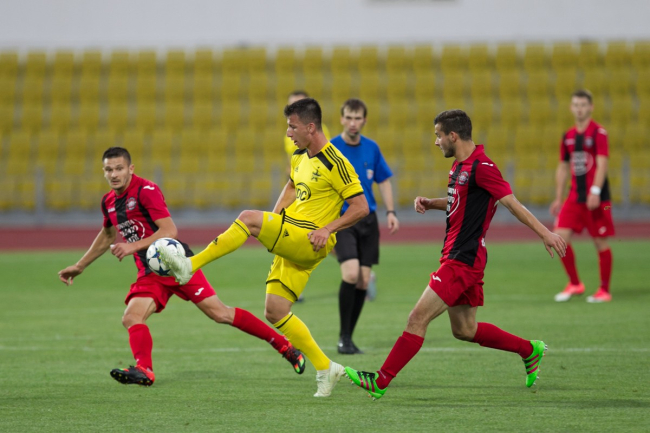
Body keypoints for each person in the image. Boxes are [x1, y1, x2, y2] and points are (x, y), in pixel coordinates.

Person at [344, 109, 567, 400]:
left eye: (438, 136)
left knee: (417, 318)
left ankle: (381, 380)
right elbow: (459, 201)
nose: (436, 141)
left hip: (463, 259)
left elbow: (512, 204)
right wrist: (432, 202)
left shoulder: (483, 167)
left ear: (453, 136)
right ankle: (529, 350)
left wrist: (545, 233)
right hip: (460, 256)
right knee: (464, 329)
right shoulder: (459, 166)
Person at [160, 98, 369, 397]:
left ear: (311, 127)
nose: (288, 133)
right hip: (294, 234)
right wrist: (274, 218)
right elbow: (291, 185)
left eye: (292, 127)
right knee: (275, 311)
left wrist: (327, 229)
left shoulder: (336, 162)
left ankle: (189, 265)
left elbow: (361, 207)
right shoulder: (299, 155)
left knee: (247, 218)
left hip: (310, 239)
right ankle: (326, 367)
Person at [57, 147, 305, 387]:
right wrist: (80, 266)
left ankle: (284, 346)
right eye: (108, 170)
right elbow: (107, 235)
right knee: (131, 317)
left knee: (220, 314)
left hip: (177, 265)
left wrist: (132, 247)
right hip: (149, 273)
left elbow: (169, 230)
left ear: (130, 168)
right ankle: (144, 370)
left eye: (119, 168)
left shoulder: (146, 190)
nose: (114, 174)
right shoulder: (109, 201)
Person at [330, 98, 399, 355]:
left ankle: (348, 337)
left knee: (363, 281)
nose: (353, 123)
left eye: (357, 118)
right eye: (348, 117)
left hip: (368, 220)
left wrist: (391, 212)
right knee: (351, 274)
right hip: (343, 219)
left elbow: (384, 180)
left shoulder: (372, 148)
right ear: (341, 119)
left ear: (364, 121)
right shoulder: (331, 148)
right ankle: (342, 336)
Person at [550, 89, 615, 303]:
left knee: (600, 242)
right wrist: (558, 197)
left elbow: (602, 163)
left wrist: (595, 190)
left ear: (590, 107)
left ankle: (604, 290)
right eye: (576, 105)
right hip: (574, 197)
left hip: (598, 199)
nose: (579, 109)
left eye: (583, 105)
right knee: (559, 237)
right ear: (571, 108)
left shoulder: (599, 133)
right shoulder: (568, 136)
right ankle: (575, 284)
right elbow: (563, 166)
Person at [282, 91, 331, 303]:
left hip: (314, 192)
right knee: (288, 232)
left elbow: (323, 157)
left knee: (317, 237)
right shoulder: (290, 133)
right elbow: (294, 160)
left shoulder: (318, 130)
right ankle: (293, 287)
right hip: (297, 188)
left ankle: (356, 269)